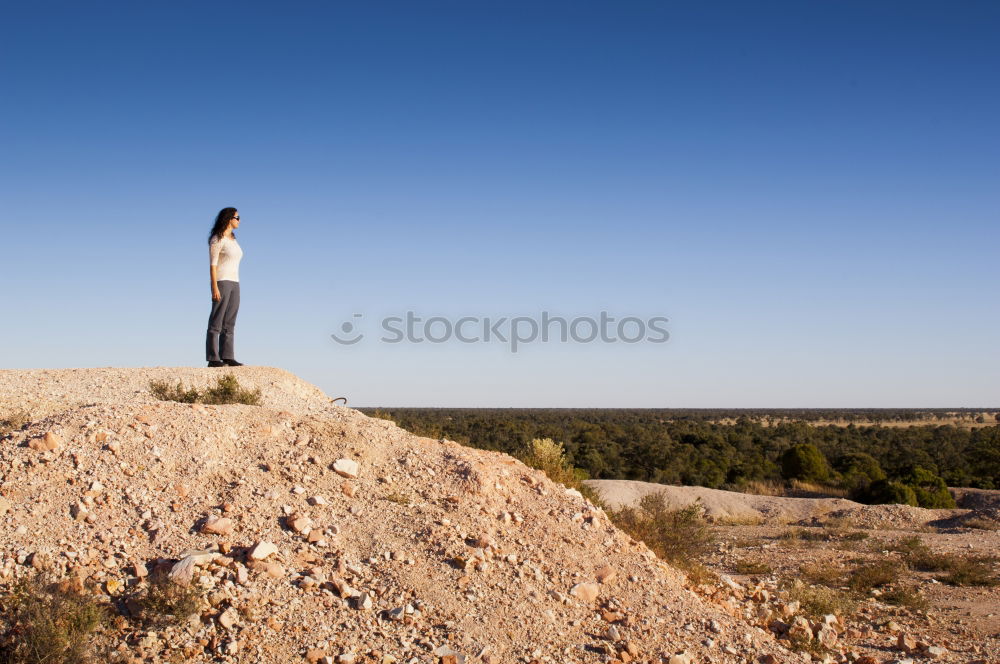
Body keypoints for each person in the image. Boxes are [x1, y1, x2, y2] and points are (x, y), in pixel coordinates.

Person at [205, 207, 245, 367]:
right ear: (229, 218)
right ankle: (213, 358)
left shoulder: (233, 240)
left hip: (235, 282)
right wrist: (214, 287)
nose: (239, 220)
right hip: (222, 281)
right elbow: (213, 265)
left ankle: (227, 355)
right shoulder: (217, 239)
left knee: (230, 321)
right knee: (217, 320)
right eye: (237, 217)